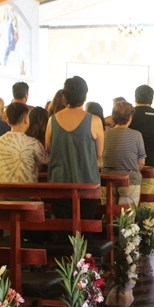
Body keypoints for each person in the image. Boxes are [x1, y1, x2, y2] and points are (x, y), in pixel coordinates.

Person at [45, 76, 104, 220]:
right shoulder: (94, 120)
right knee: (85, 228)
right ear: (85, 95)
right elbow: (99, 152)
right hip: (87, 181)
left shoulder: (52, 120)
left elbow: (48, 148)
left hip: (59, 182)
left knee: (63, 227)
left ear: (64, 96)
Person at [129, 84, 154, 206]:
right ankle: (148, 224)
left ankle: (130, 225)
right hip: (153, 164)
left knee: (131, 202)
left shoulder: (130, 115)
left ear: (135, 98)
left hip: (132, 165)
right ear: (151, 99)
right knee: (149, 204)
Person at [103, 101, 146, 206]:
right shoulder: (137, 135)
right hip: (130, 180)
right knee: (126, 218)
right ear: (130, 117)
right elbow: (141, 162)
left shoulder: (105, 135)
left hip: (107, 180)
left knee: (109, 216)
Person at [0, 102, 48, 184]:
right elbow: (47, 161)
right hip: (27, 193)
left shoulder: (0, 140)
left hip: (4, 193)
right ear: (26, 119)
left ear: (8, 121)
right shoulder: (33, 143)